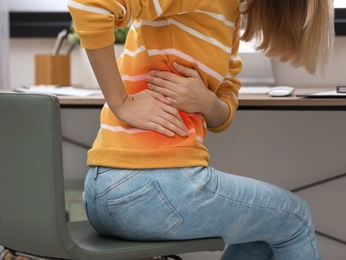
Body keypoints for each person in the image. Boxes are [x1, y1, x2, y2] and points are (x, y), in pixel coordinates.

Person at [68, 0, 334, 259]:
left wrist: (206, 101)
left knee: (264, 228)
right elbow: (90, 5)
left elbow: (226, 101)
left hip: (104, 192)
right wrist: (121, 102)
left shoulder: (231, 14)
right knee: (294, 219)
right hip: (150, 186)